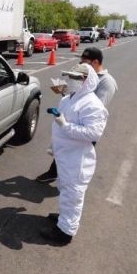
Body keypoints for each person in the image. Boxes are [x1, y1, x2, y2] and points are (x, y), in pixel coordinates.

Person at [39, 63, 108, 244]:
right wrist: (53, 147)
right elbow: (58, 125)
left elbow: (93, 133)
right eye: (70, 76)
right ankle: (64, 218)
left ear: (86, 80)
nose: (71, 80)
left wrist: (66, 126)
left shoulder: (93, 105)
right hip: (64, 156)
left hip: (77, 159)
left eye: (76, 78)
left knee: (73, 195)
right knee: (64, 189)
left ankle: (65, 232)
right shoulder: (69, 98)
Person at [36, 47, 118, 183]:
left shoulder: (106, 82)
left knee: (77, 160)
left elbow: (97, 107)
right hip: (70, 122)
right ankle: (55, 173)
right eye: (81, 61)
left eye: (85, 61)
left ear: (95, 62)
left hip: (84, 125)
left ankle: (71, 182)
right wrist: (63, 90)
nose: (81, 64)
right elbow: (74, 94)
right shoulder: (81, 74)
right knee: (64, 150)